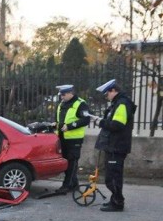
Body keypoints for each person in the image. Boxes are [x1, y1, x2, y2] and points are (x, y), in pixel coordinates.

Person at [94, 79, 136, 212]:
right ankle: (115, 200)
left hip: (116, 146)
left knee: (112, 178)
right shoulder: (117, 103)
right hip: (113, 146)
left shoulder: (122, 104)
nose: (106, 96)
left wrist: (101, 122)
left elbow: (117, 125)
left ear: (113, 91)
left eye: (107, 94)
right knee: (111, 177)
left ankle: (118, 203)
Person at [54, 84, 90, 193]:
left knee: (72, 162)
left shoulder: (81, 104)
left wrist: (70, 126)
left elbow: (86, 120)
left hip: (74, 139)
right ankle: (74, 184)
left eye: (63, 94)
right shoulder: (62, 103)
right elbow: (59, 119)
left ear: (71, 93)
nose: (62, 97)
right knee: (66, 163)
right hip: (61, 138)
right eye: (60, 95)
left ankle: (67, 185)